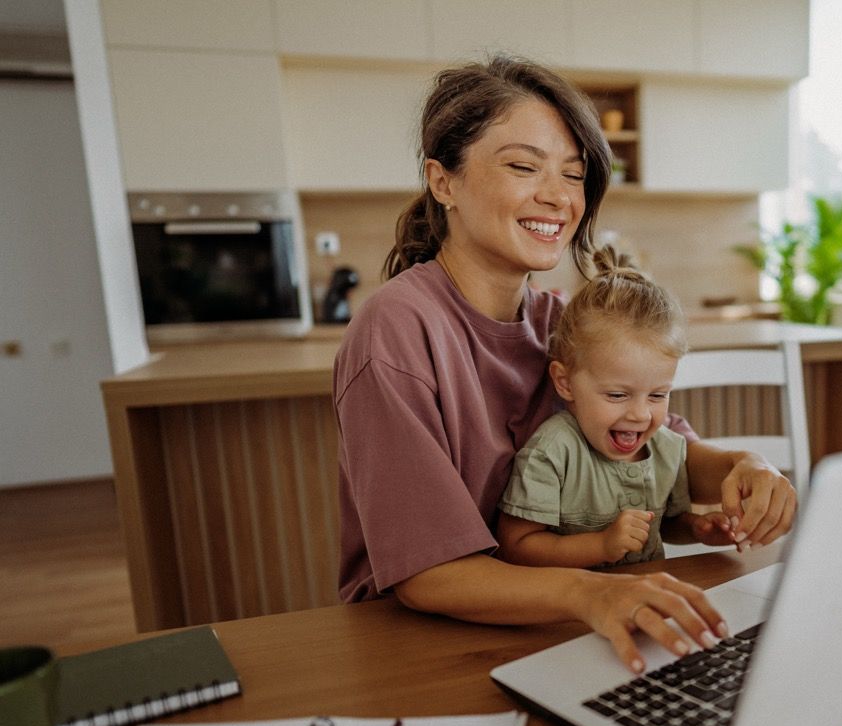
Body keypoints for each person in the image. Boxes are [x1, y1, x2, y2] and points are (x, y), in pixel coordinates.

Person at [333, 55, 796, 674]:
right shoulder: (395, 331)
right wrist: (592, 593)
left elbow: (667, 454)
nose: (556, 196)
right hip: (424, 645)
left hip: (559, 625)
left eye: (574, 176)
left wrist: (749, 468)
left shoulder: (562, 321)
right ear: (443, 181)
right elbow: (428, 574)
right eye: (524, 167)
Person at [497, 247, 739, 569]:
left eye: (657, 396)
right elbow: (516, 546)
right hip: (569, 611)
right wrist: (601, 545)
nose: (640, 415)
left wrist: (697, 528)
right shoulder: (552, 452)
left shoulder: (666, 448)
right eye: (617, 395)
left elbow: (665, 524)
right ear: (565, 382)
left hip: (646, 600)